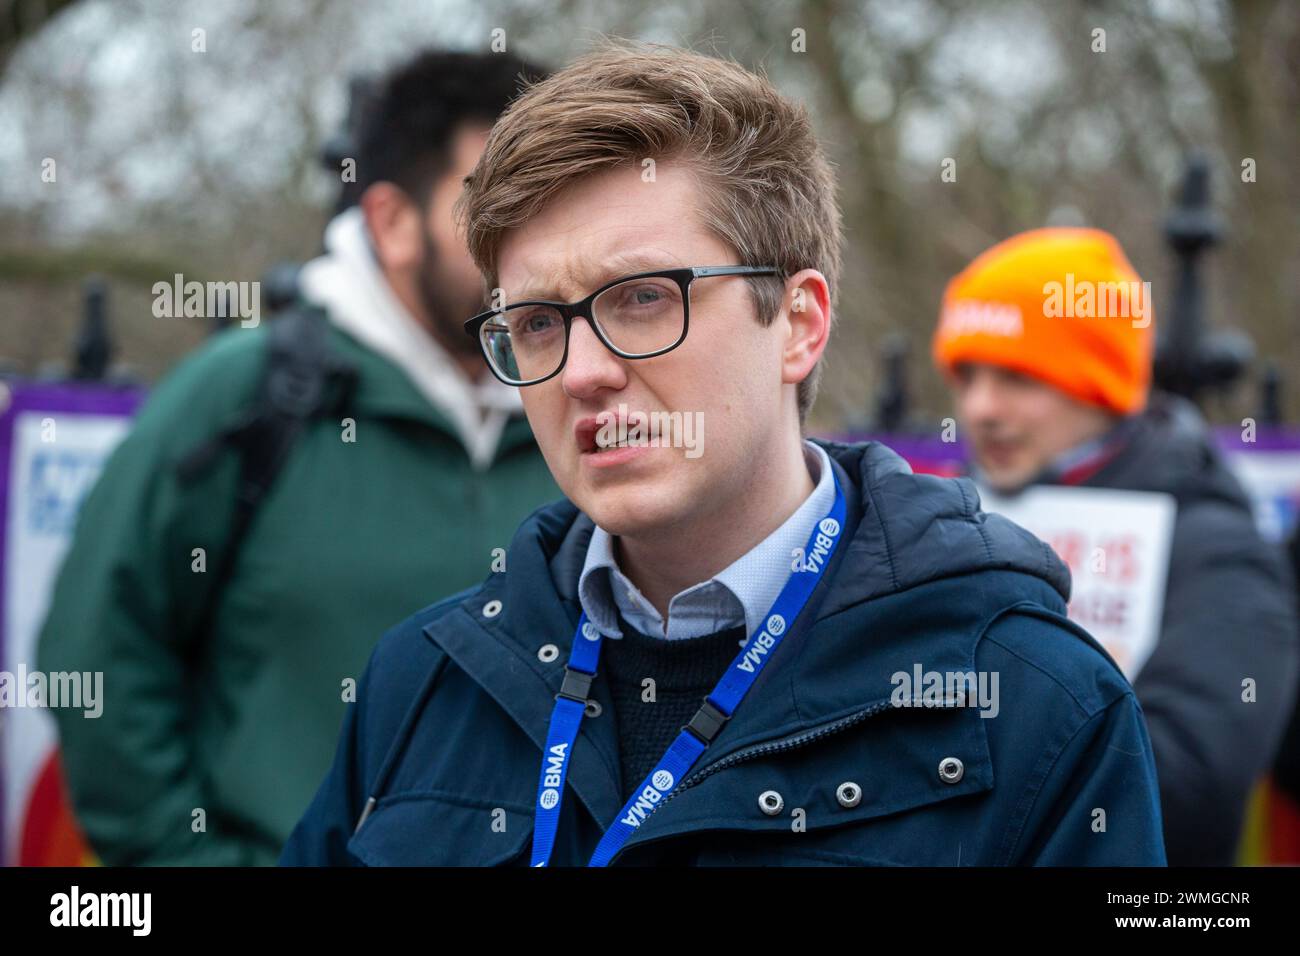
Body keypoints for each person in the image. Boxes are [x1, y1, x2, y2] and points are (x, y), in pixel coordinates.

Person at [281, 40, 1165, 867]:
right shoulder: (424, 679)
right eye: (539, 322)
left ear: (799, 325)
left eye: (641, 300)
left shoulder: (1035, 703)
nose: (583, 373)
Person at [36, 49, 559, 866]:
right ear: (391, 222)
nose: (528, 237)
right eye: (493, 204)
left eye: (550, 202)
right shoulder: (244, 394)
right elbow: (97, 652)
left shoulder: (586, 401)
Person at [931, 226, 1299, 865]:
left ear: (1096, 384)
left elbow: (1186, 790)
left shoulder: (1213, 545)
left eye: (1019, 377)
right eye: (966, 375)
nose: (981, 408)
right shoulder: (936, 515)